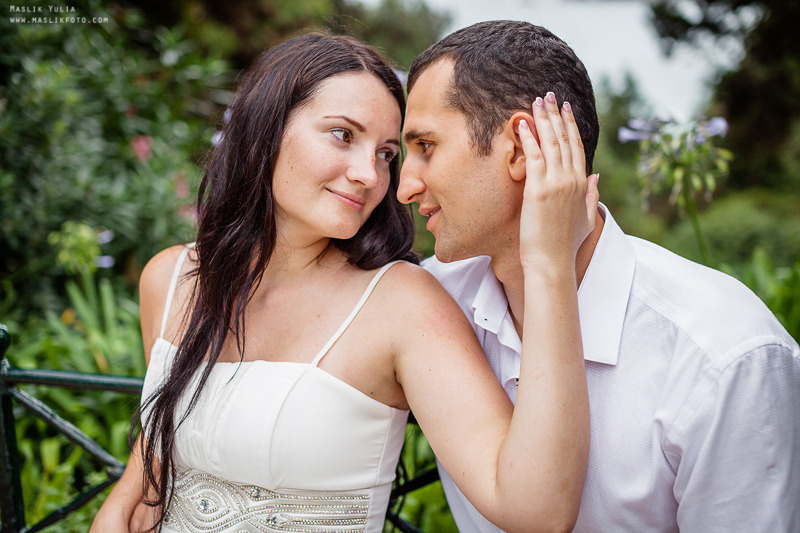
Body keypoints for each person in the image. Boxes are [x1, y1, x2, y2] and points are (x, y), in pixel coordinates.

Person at [92, 31, 599, 533]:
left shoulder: (402, 305)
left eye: (384, 153)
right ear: (265, 128)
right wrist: (125, 495)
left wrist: (549, 261)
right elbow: (168, 437)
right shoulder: (171, 279)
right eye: (342, 135)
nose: (371, 176)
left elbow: (537, 510)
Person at [398, 19, 800, 533]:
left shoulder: (722, 354)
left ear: (520, 149)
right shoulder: (429, 304)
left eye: (426, 147)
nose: (404, 186)